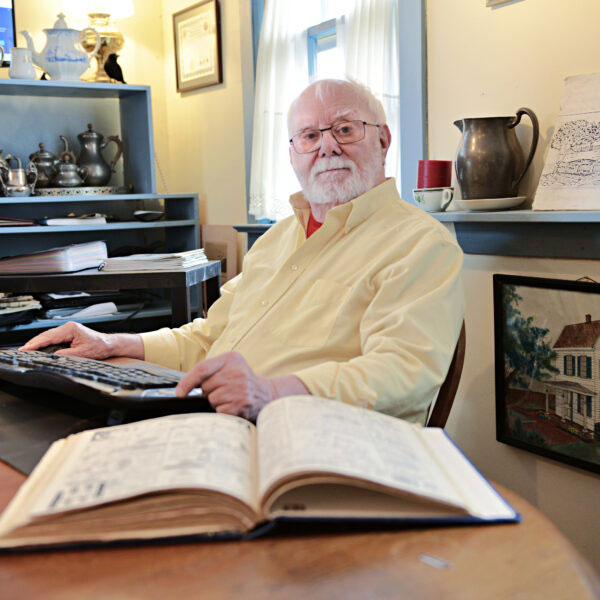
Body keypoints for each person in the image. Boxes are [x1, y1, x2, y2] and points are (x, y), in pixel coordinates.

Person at [21, 79, 464, 424]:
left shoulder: (420, 244)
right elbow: (211, 337)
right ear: (293, 153)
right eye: (309, 135)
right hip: (220, 421)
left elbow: (404, 371)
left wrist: (271, 392)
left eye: (345, 129)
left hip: (323, 443)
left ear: (383, 140)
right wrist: (113, 341)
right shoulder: (276, 240)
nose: (328, 146)